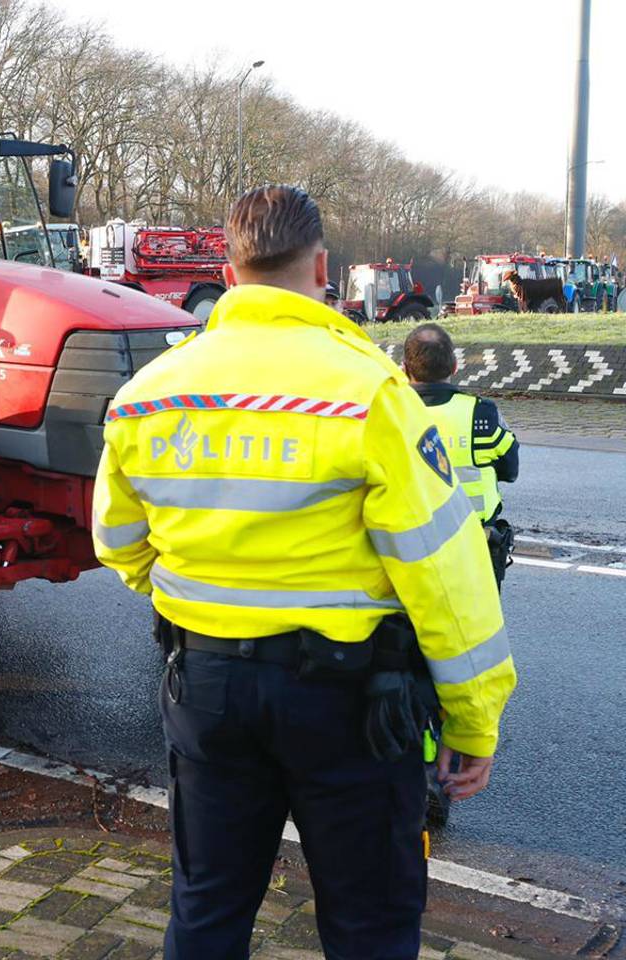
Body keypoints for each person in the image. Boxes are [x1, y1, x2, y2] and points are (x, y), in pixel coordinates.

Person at [93, 185, 516, 959]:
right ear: (322, 266)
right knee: (368, 926)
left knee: (207, 910)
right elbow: (447, 580)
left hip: (207, 689)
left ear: (228, 266)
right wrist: (472, 716)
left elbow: (118, 544)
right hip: (351, 706)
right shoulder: (371, 395)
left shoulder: (145, 397)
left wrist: (205, 605)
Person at [402, 323, 519, 586]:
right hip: (477, 545)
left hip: (410, 547)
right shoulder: (482, 415)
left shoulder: (390, 413)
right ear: (455, 366)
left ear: (404, 369)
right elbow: (511, 470)